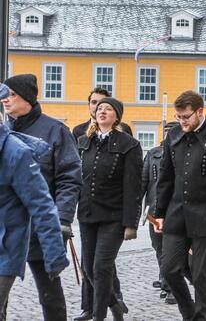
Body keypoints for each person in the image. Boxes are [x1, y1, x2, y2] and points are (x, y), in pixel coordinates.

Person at [152, 90, 206, 321]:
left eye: (186, 117)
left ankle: (200, 317)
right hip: (177, 213)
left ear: (199, 112)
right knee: (169, 269)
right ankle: (189, 313)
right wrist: (159, 213)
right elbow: (165, 177)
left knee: (200, 274)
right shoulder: (173, 135)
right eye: (179, 116)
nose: (182, 121)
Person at [2, 74, 81, 320]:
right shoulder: (5, 130)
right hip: (9, 227)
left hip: (42, 226)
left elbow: (69, 177)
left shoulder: (55, 130)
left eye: (12, 95)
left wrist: (63, 219)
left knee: (49, 292)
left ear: (27, 97)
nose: (6, 100)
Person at [76, 97, 143, 321]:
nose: (102, 111)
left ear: (117, 116)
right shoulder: (83, 141)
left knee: (101, 266)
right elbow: (74, 179)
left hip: (114, 216)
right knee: (88, 268)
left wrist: (131, 223)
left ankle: (99, 316)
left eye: (108, 109)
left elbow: (133, 187)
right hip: (87, 214)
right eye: (99, 108)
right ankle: (114, 304)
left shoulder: (129, 144)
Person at [142, 121, 180, 300]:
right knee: (158, 247)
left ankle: (171, 287)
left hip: (176, 209)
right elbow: (143, 182)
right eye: (166, 132)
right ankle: (165, 278)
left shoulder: (184, 154)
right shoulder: (153, 154)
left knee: (173, 248)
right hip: (155, 209)